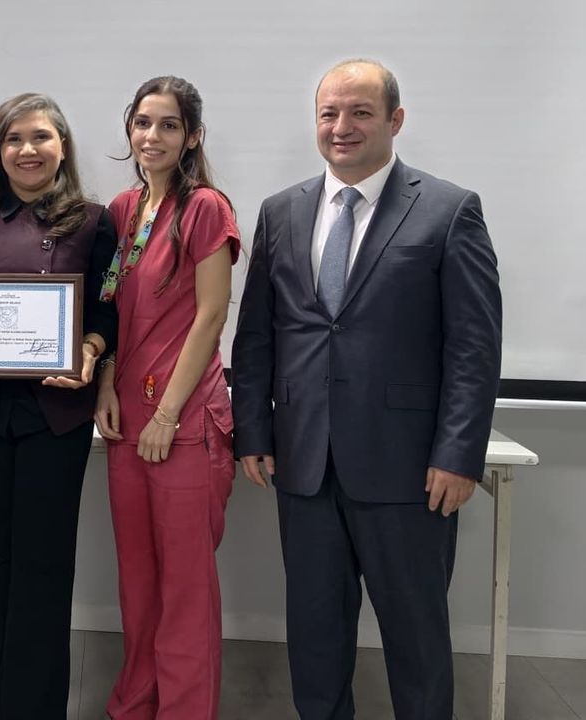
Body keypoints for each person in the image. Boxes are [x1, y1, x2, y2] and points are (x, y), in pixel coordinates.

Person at [231, 59, 502, 720]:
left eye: (360, 112)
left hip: (409, 469)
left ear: (394, 120)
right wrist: (254, 432)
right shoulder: (280, 211)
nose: (341, 127)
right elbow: (258, 335)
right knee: (315, 636)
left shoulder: (448, 210)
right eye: (329, 113)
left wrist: (459, 455)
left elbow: (473, 346)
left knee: (416, 639)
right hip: (304, 463)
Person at [0, 93, 117, 720]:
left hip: (56, 414)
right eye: (14, 138)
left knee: (44, 564)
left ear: (62, 147)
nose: (27, 150)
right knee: (1, 557)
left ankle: (35, 709)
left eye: (41, 136)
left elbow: (108, 309)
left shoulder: (93, 221)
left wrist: (90, 349)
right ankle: (3, 704)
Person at [93, 76, 242, 720]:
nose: (151, 136)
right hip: (126, 420)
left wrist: (166, 413)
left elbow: (212, 316)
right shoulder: (122, 210)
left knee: (184, 588)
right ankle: (135, 704)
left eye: (169, 125)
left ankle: (183, 709)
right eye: (142, 123)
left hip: (183, 424)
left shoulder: (205, 208)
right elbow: (112, 311)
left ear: (193, 137)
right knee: (138, 580)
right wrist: (106, 384)